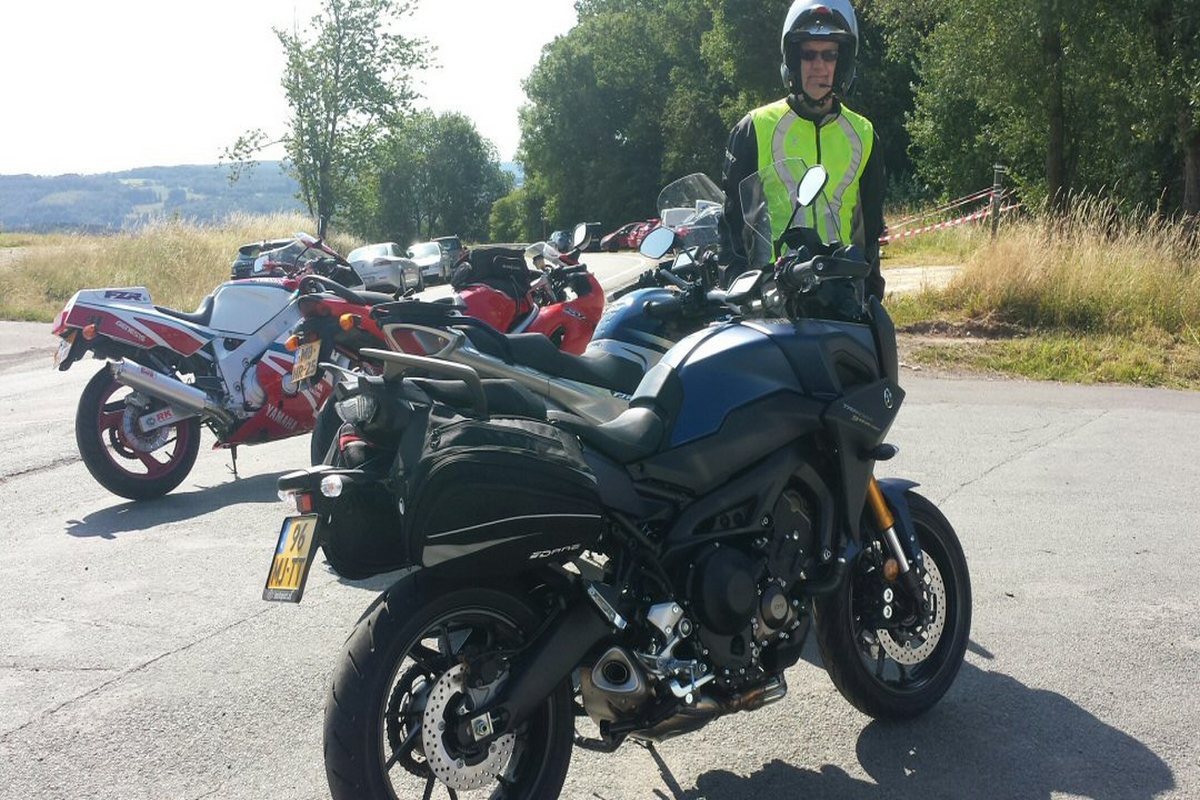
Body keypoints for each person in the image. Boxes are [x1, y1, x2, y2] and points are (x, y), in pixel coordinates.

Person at [719, 0, 886, 300]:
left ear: (843, 62)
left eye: (829, 55)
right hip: (773, 296)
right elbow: (733, 227)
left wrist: (871, 297)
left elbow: (869, 231)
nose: (818, 65)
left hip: (841, 295)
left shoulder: (864, 134)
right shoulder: (754, 128)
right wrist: (737, 290)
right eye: (808, 54)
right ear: (793, 59)